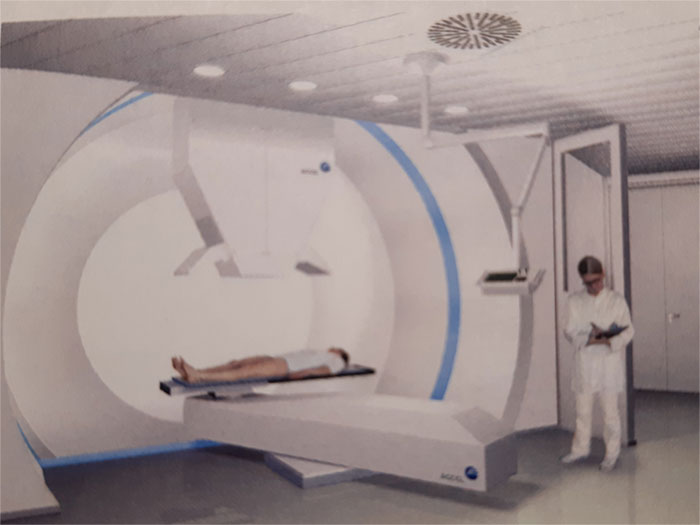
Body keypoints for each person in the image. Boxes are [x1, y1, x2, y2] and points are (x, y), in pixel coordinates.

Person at [561, 255, 634, 472]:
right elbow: (569, 330)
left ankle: (611, 454)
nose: (593, 286)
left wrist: (609, 339)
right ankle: (580, 449)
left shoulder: (616, 300)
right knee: (582, 412)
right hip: (585, 363)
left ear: (603, 275)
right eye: (588, 283)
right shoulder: (575, 301)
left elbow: (628, 330)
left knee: (610, 413)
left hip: (608, 364)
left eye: (596, 281)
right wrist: (589, 337)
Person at [172, 347, 349, 384]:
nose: (331, 347)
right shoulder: (318, 352)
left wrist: (306, 373)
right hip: (277, 358)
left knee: (245, 372)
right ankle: (195, 370)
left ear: (340, 352)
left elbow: (325, 371)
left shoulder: (338, 360)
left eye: (335, 348)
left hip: (286, 366)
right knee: (236, 363)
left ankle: (198, 376)